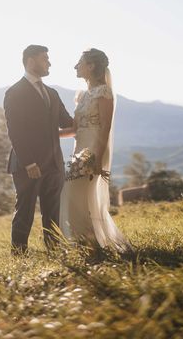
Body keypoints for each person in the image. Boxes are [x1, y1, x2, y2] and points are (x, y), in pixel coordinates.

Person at [4, 45, 74, 255]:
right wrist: (29, 163)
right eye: (45, 59)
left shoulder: (52, 93)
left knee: (52, 212)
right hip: (28, 164)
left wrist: (91, 116)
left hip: (53, 163)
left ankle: (55, 253)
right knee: (24, 212)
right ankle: (18, 256)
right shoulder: (14, 92)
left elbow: (67, 122)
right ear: (31, 61)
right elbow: (15, 131)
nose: (49, 63)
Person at [59, 48, 128, 249]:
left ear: (91, 66)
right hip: (79, 148)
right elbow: (74, 129)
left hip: (92, 150)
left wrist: (97, 158)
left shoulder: (104, 92)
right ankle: (86, 242)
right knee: (74, 195)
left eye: (79, 62)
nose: (75, 66)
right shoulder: (83, 96)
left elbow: (105, 127)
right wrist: (49, 135)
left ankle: (89, 242)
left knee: (74, 193)